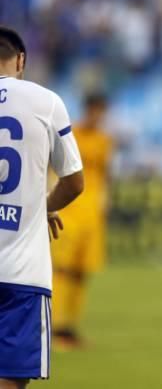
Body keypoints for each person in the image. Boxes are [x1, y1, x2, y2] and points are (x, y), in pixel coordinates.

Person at [0, 26, 84, 388]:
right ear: (21, 60)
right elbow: (74, 182)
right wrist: (42, 206)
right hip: (22, 272)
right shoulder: (46, 101)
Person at [50, 92, 114, 349]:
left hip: (91, 214)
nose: (98, 116)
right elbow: (52, 167)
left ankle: (70, 327)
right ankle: (55, 326)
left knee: (82, 272)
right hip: (70, 212)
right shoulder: (70, 134)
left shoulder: (105, 140)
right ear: (87, 108)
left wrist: (106, 201)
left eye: (102, 111)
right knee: (62, 270)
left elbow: (107, 173)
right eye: (95, 110)